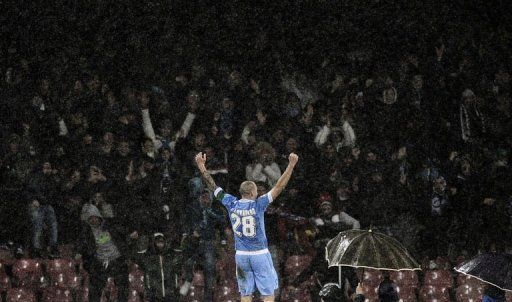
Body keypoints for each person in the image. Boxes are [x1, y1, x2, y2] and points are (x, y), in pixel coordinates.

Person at [195, 151, 299, 302]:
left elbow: (212, 185)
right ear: (252, 192)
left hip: (242, 256)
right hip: (259, 254)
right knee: (268, 293)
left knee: (245, 294)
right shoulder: (259, 204)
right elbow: (280, 186)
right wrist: (291, 165)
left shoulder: (231, 203)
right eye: (256, 190)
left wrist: (201, 166)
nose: (258, 192)